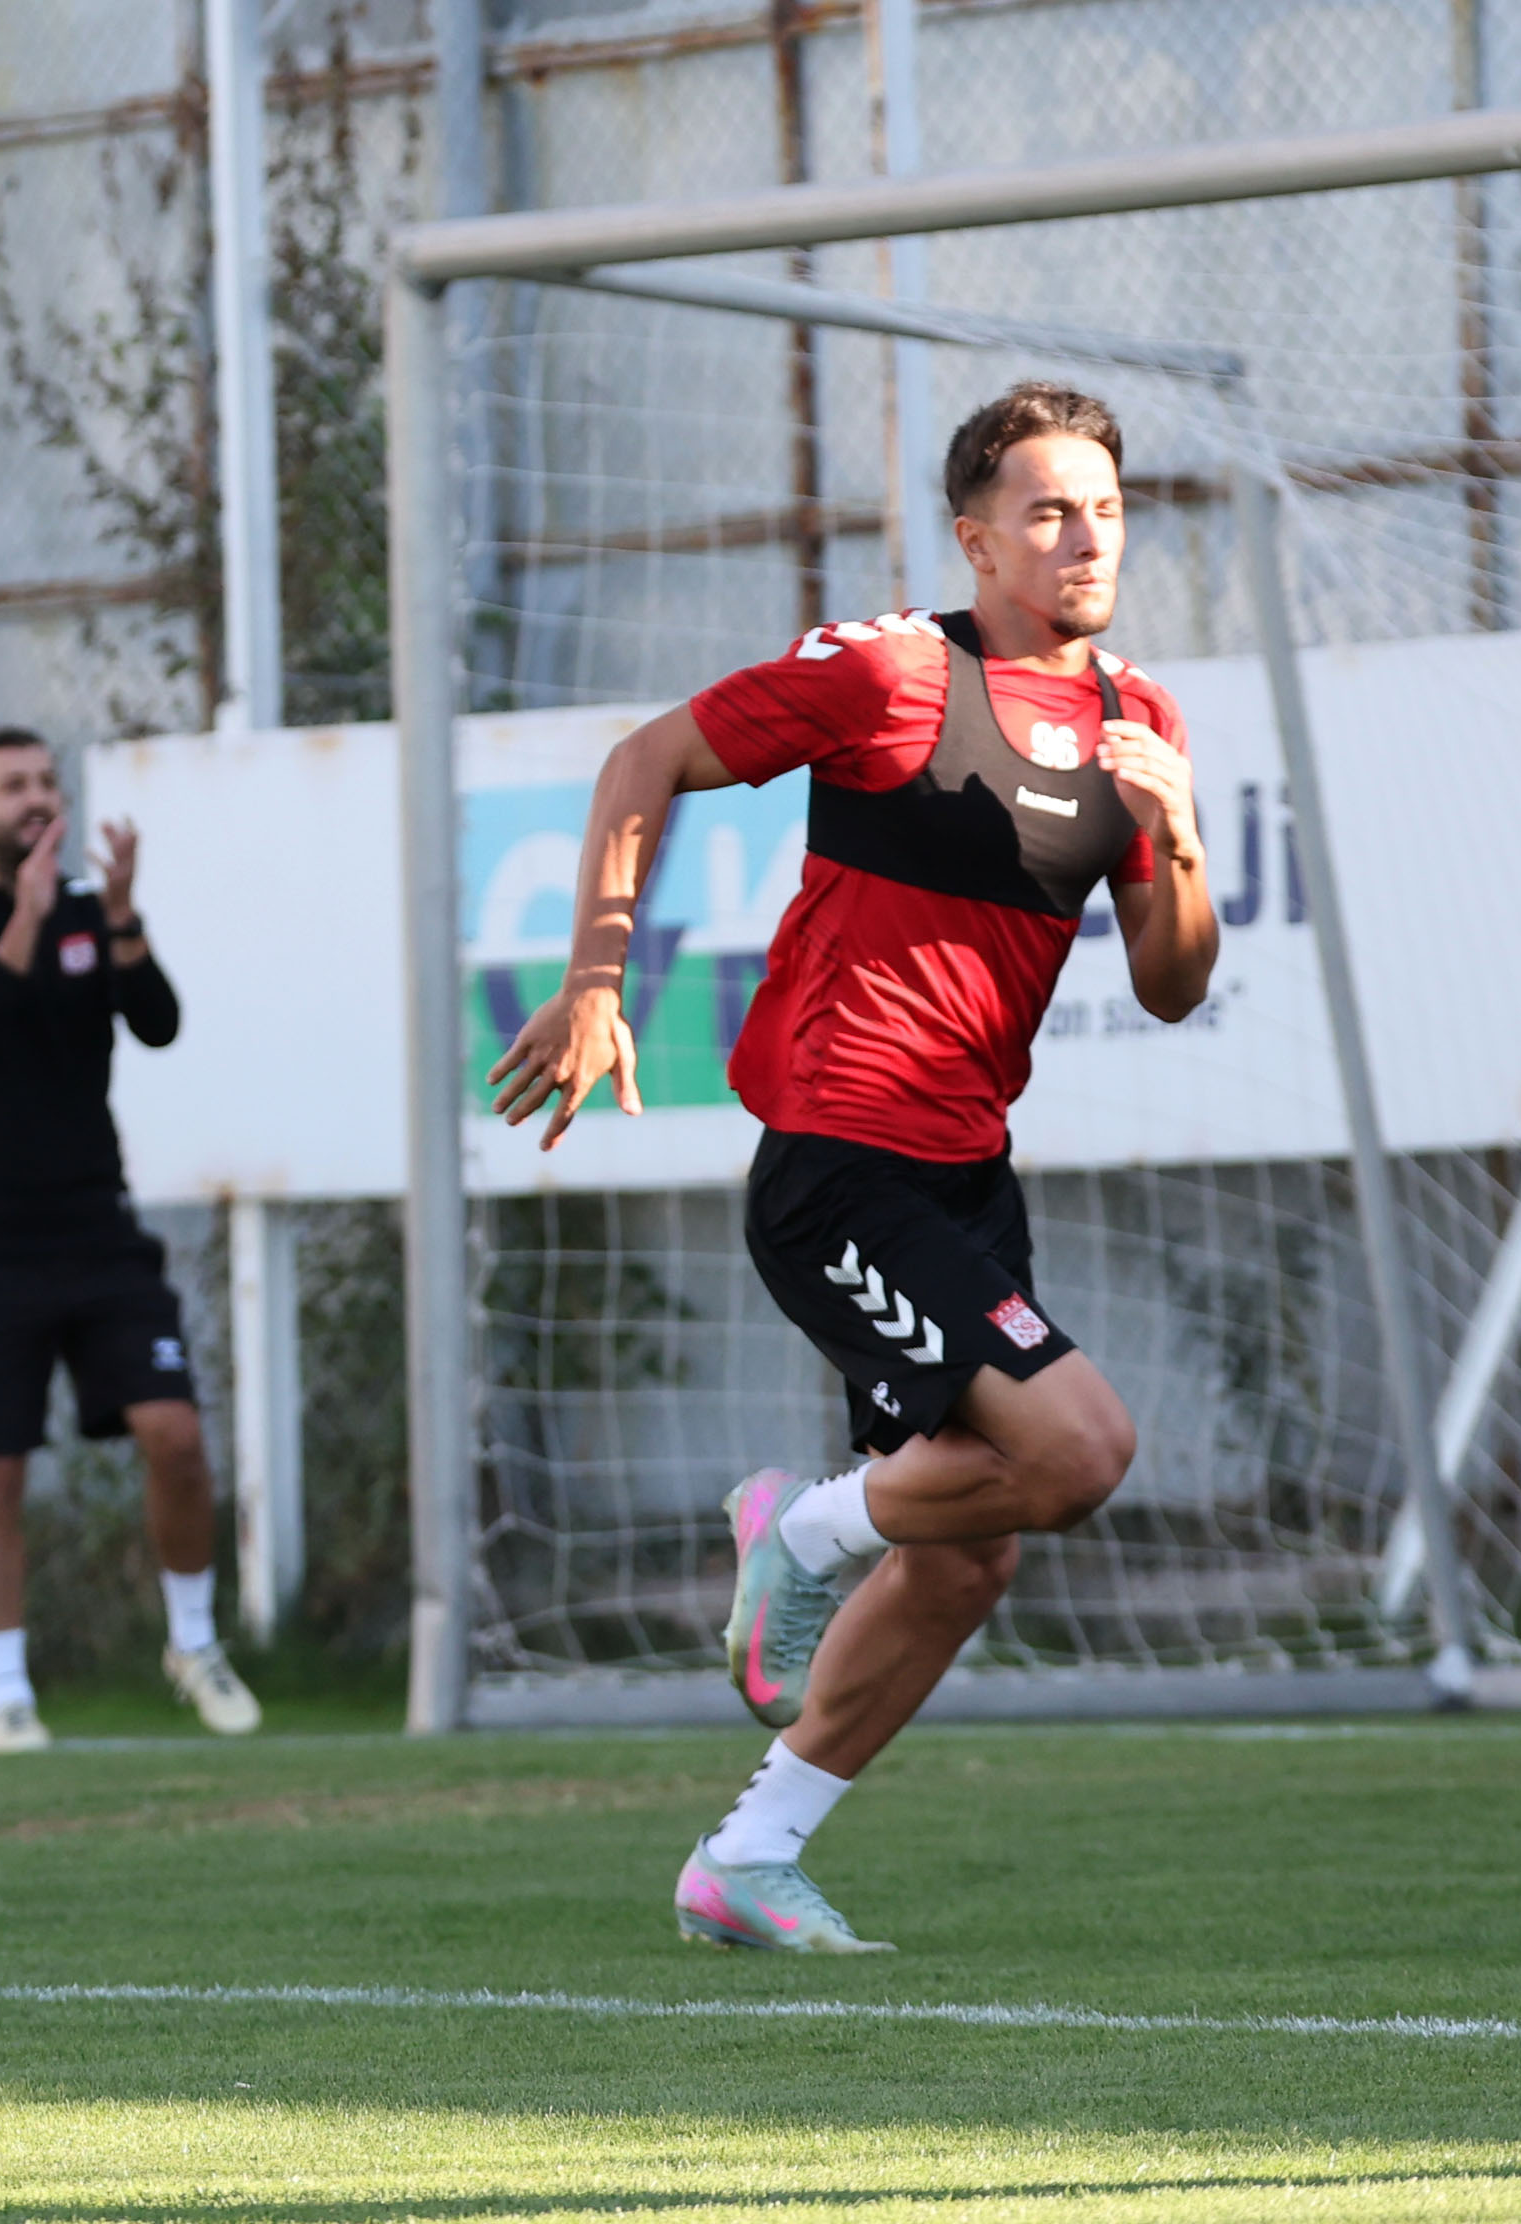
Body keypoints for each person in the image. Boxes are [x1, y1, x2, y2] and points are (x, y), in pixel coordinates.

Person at [490, 382, 1218, 1952]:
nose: (1085, 537)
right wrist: (598, 980)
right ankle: (806, 1532)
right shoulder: (889, 673)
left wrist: (1180, 842)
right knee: (1083, 1449)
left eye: (1104, 509)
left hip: (967, 1175)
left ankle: (746, 1858)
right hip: (838, 1163)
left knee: (969, 1556)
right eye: (1047, 511)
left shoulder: (1141, 725)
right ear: (977, 540)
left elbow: (1172, 983)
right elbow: (646, 759)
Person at [0, 728, 259, 1754]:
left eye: (46, 782)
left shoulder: (93, 915)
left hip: (98, 1231)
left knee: (175, 1433)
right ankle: (8, 1696)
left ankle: (193, 1645)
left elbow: (158, 1021)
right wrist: (26, 912)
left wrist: (123, 914)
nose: (36, 798)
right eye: (12, 785)